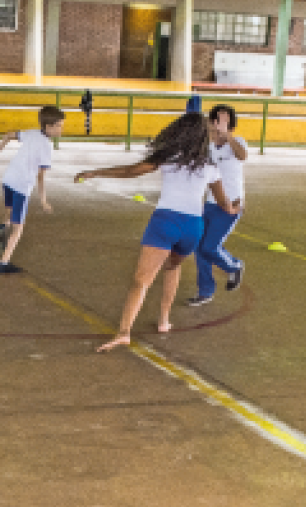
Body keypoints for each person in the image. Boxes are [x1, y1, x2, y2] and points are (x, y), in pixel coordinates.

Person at [73, 112, 240, 351]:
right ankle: (164, 320)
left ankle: (124, 332)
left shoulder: (168, 157)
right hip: (192, 227)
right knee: (173, 266)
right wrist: (234, 208)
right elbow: (225, 204)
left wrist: (95, 172)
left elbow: (132, 171)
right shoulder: (210, 167)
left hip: (165, 223)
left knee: (141, 282)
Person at [0, 105, 65, 274]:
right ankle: (4, 263)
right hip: (21, 185)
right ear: (48, 126)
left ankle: (3, 226)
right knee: (18, 229)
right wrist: (43, 200)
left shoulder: (32, 133)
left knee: (9, 211)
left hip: (8, 178)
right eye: (59, 125)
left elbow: (8, 135)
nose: (62, 129)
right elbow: (41, 177)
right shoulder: (47, 147)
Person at [188, 103, 246, 307]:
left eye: (226, 119)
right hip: (211, 204)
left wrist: (226, 135)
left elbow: (242, 156)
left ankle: (234, 266)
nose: (221, 122)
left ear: (231, 122)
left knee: (209, 246)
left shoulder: (238, 142)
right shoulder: (207, 146)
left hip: (231, 205)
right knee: (199, 247)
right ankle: (205, 291)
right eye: (218, 118)